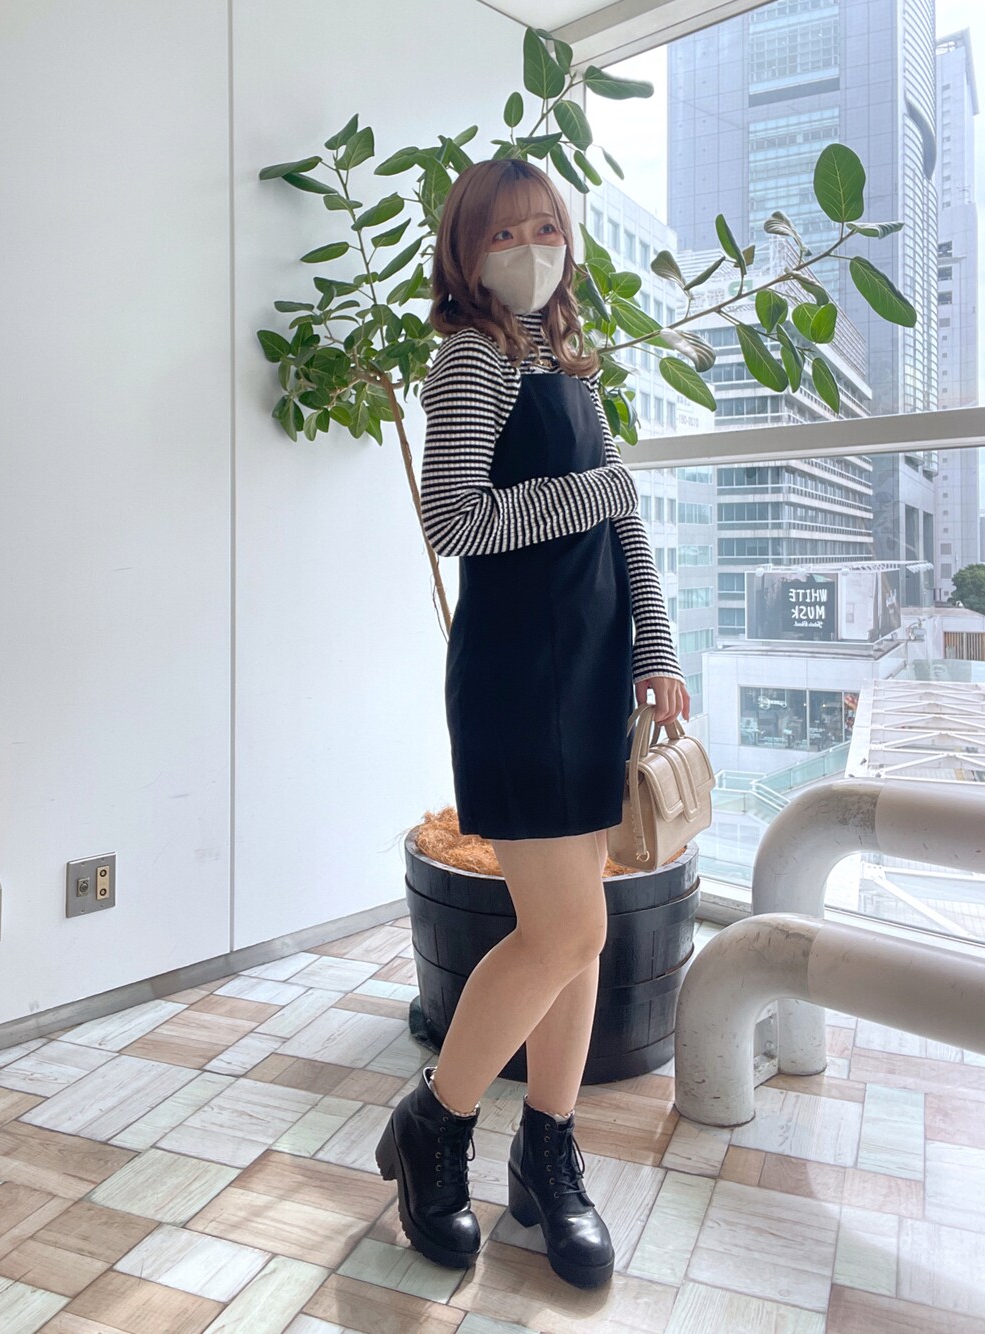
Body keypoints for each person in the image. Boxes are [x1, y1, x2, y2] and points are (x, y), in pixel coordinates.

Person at [375, 158, 689, 1291]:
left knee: (583, 931)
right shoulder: (470, 357)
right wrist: (602, 491)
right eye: (502, 232)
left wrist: (655, 648)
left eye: (544, 227)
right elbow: (454, 519)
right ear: (465, 253)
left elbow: (622, 530)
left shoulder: (565, 360)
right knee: (561, 930)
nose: (528, 248)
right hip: (518, 676)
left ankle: (547, 1162)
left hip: (593, 667)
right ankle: (435, 1122)